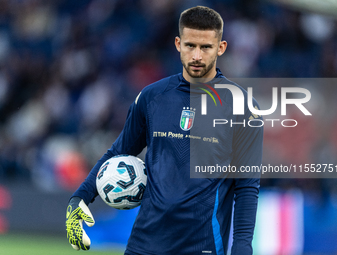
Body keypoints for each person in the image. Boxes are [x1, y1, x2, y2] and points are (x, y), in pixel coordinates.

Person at [66, 6, 263, 255]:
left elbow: (246, 187)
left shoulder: (242, 108)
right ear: (178, 43)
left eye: (206, 47)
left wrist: (243, 247)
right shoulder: (152, 97)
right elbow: (118, 152)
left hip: (202, 246)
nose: (197, 56)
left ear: (221, 48)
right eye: (190, 45)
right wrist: (79, 198)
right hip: (144, 244)